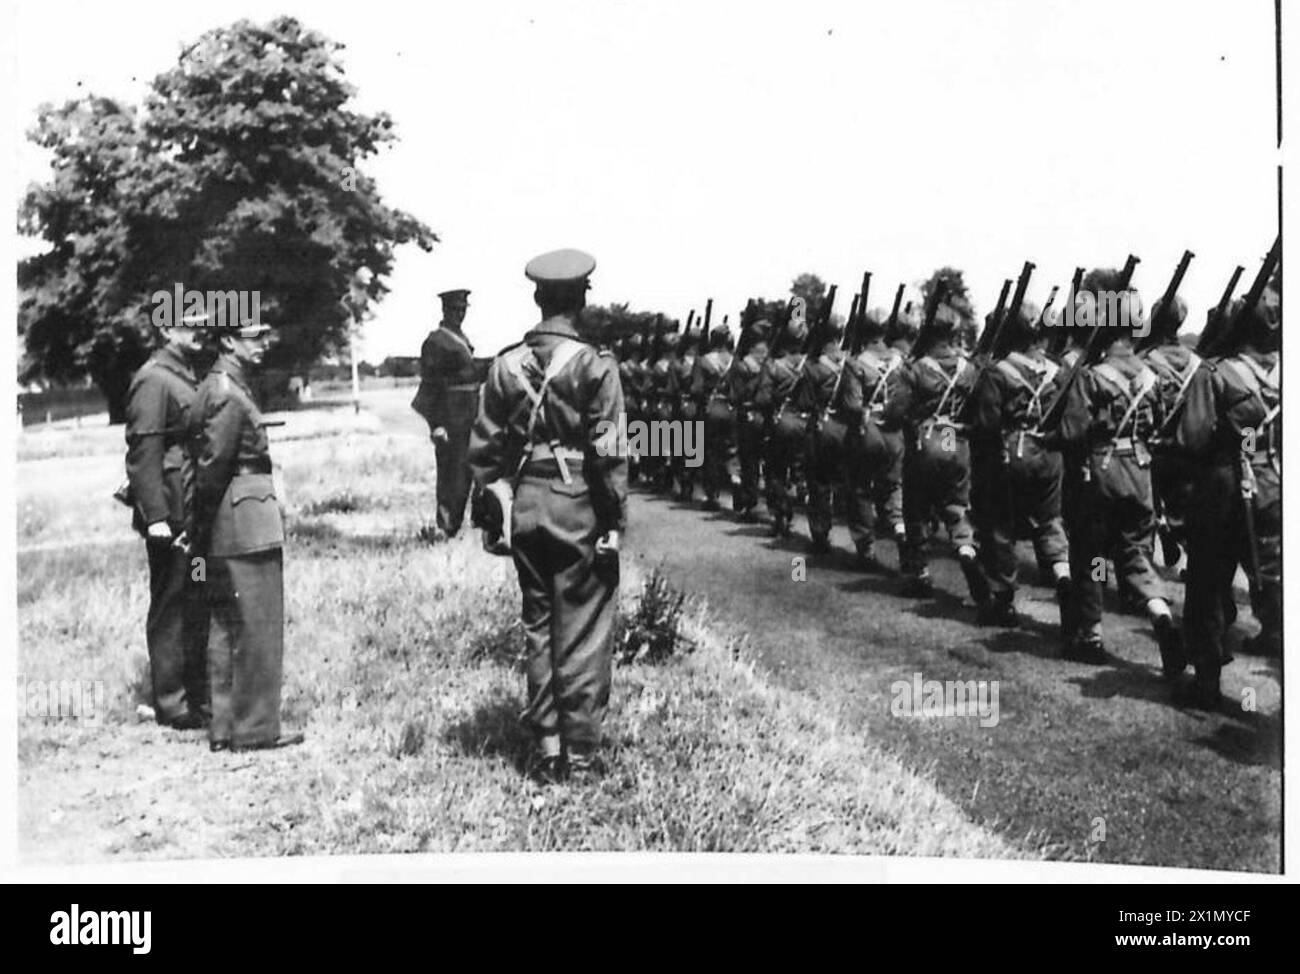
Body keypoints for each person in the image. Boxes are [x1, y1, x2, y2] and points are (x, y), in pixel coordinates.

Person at [468, 248, 626, 783]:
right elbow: (608, 450)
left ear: (538, 297)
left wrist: (495, 515)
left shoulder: (505, 363)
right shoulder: (594, 363)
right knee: (580, 631)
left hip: (527, 505)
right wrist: (613, 520)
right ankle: (580, 760)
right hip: (577, 501)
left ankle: (548, 746)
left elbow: (484, 455)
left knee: (538, 625)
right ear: (582, 298)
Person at [190, 320, 303, 752]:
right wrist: (200, 525)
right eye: (254, 337)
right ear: (229, 341)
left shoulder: (218, 385)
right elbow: (213, 467)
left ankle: (224, 727)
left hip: (229, 521)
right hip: (244, 521)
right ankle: (254, 729)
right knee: (257, 626)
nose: (263, 344)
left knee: (224, 627)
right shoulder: (228, 392)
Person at [1056, 288, 1181, 666]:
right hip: (1139, 472)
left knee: (1092, 554)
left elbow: (1072, 433)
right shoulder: (1150, 375)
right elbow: (1159, 424)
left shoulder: (1092, 376)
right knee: (1134, 553)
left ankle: (1091, 634)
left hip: (1101, 473)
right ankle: (1160, 611)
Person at [1169, 293, 1280, 707]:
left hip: (1224, 484)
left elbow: (1191, 438)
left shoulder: (1216, 374)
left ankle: (1207, 679)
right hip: (1275, 480)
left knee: (1208, 581)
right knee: (1272, 575)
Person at [123, 311, 211, 730]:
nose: (201, 329)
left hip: (190, 509)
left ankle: (192, 694)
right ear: (165, 329)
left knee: (194, 594)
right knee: (172, 603)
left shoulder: (184, 373)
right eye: (190, 323)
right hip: (171, 515)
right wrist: (155, 517)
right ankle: (171, 703)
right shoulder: (153, 378)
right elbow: (143, 454)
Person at [968, 302, 1072, 629]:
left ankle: (1003, 601)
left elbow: (986, 425)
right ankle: (1063, 576)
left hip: (1011, 453)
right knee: (1050, 523)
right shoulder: (1059, 371)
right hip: (1049, 455)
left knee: (1001, 528)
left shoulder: (997, 372)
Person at [884, 303, 990, 607]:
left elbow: (896, 411)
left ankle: (919, 574)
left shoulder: (915, 369)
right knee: (956, 507)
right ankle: (967, 551)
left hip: (927, 442)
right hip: (955, 442)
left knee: (915, 509)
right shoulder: (968, 368)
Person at [411, 288, 483, 539]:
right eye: (455, 310)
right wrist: (436, 424)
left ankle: (472, 522)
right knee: (451, 472)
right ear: (445, 310)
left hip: (469, 412)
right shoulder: (436, 341)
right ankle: (446, 526)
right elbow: (430, 385)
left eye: (463, 310)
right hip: (450, 416)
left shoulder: (460, 337)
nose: (459, 314)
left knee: (470, 469)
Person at [839, 307, 907, 570]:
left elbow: (852, 406)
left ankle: (865, 548)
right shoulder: (899, 361)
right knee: (893, 487)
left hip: (869, 431)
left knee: (859, 489)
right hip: (895, 433)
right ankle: (900, 529)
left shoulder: (856, 363)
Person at [757, 313, 809, 538]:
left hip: (781, 422)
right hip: (808, 424)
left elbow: (763, 399)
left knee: (775, 471)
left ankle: (781, 515)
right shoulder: (812, 365)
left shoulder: (773, 366)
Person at [726, 318, 771, 520]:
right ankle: (754, 502)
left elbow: (735, 396)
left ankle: (749, 502)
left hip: (747, 416)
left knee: (749, 462)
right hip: (763, 416)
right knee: (757, 462)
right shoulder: (767, 364)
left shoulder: (741, 366)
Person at [690, 322, 735, 510]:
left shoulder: (703, 360)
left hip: (712, 408)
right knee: (731, 450)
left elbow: (696, 389)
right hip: (732, 409)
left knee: (711, 453)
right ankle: (736, 483)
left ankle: (712, 495)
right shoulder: (736, 360)